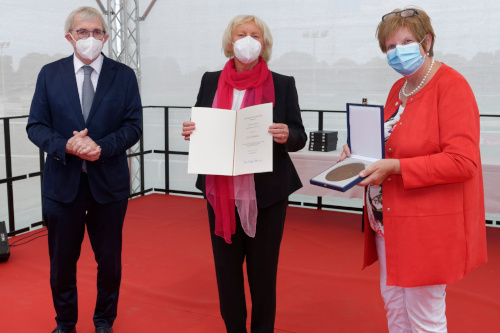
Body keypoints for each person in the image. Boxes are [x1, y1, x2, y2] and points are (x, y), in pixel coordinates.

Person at [339, 7, 487, 333]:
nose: (397, 51)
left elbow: (463, 161)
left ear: (427, 40)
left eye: (405, 42)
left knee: (424, 318)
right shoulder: (399, 88)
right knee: (395, 307)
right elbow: (393, 141)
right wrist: (359, 153)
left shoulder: (452, 86)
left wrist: (396, 167)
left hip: (425, 227)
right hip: (387, 222)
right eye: (390, 46)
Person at [182, 15, 307, 333]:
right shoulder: (210, 80)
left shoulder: (283, 83)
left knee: (263, 274)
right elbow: (200, 121)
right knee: (226, 272)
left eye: (255, 35)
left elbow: (299, 134)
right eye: (241, 34)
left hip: (267, 193)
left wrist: (286, 134)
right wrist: (192, 130)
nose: (247, 40)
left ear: (263, 44)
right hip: (219, 191)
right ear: (230, 41)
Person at [26, 6, 142, 333]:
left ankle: (104, 322)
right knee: (62, 264)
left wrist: (100, 148)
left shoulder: (124, 76)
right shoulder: (49, 75)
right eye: (82, 32)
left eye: (96, 32)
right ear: (69, 37)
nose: (89, 38)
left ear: (105, 37)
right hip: (62, 187)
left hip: (110, 187)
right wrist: (67, 145)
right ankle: (65, 324)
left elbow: (134, 126)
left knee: (109, 264)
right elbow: (36, 126)